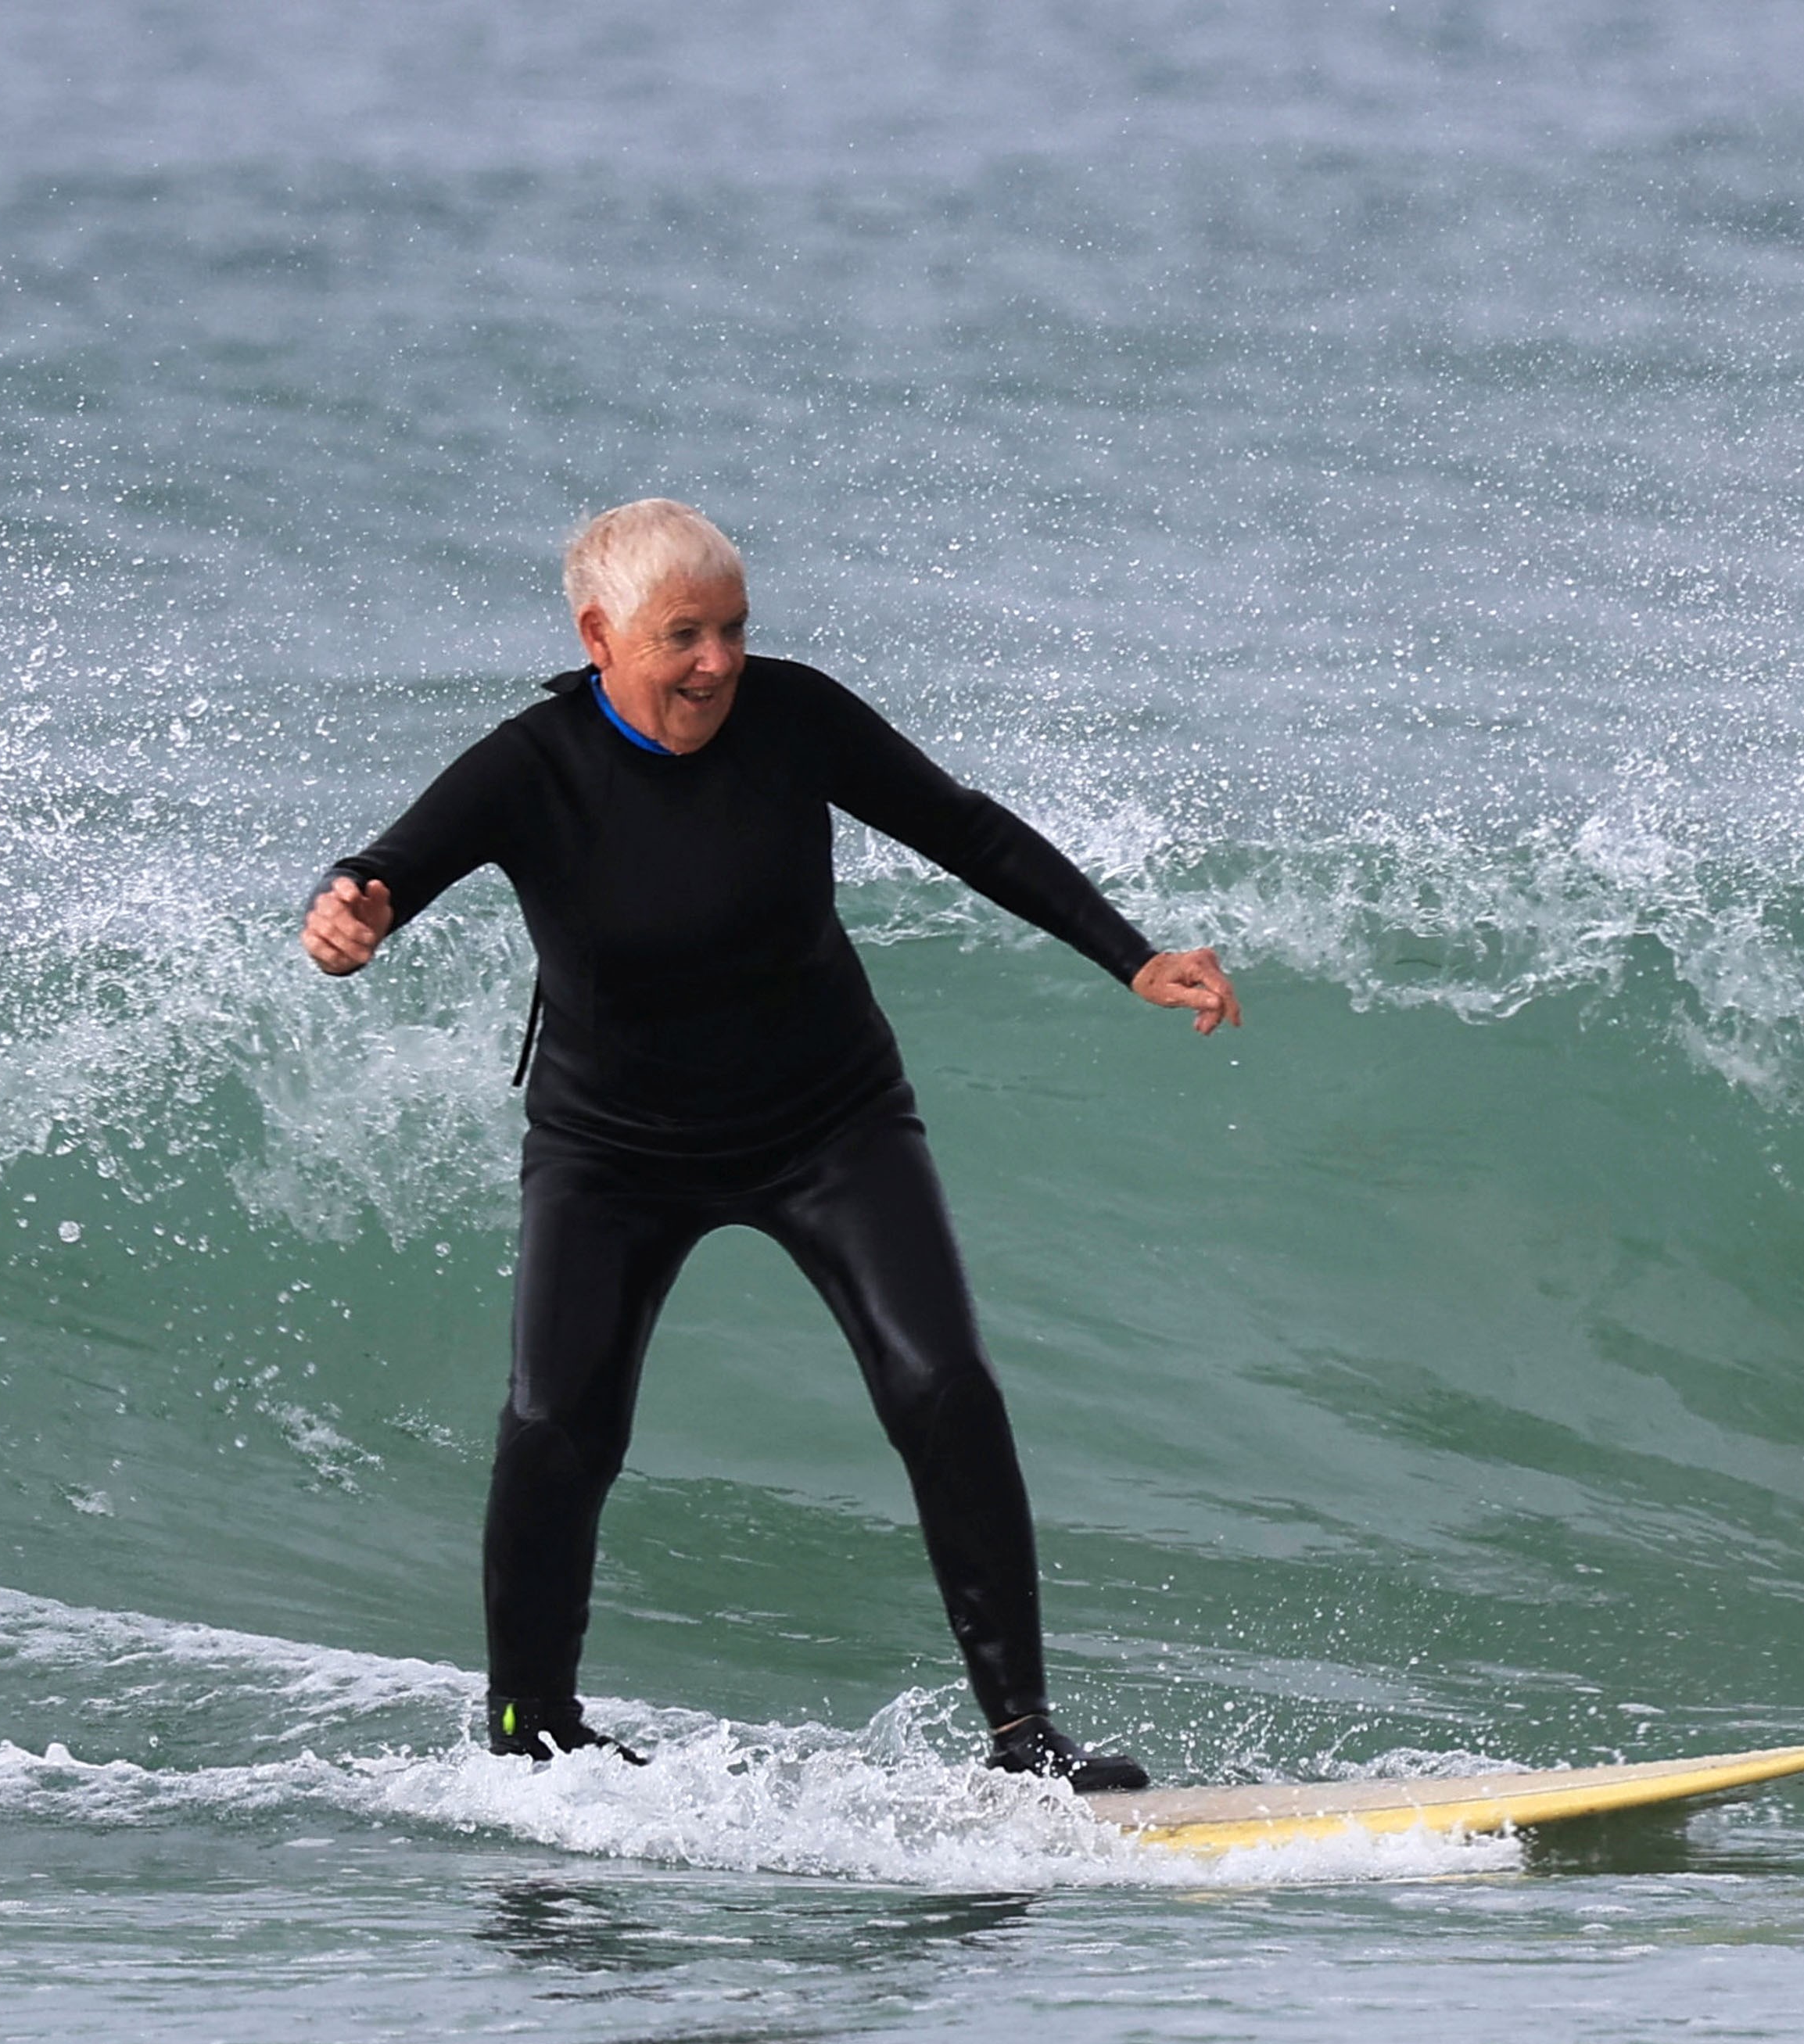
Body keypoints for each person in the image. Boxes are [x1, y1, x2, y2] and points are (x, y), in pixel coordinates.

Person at [303, 500, 1238, 1783]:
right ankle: (531, 1729)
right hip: (611, 1149)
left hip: (827, 1122)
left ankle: (1024, 1734)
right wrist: (349, 911)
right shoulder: (534, 764)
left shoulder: (795, 717)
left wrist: (1130, 955)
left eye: (734, 629)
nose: (718, 662)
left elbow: (962, 827)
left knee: (943, 1383)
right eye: (682, 634)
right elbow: (386, 869)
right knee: (557, 1421)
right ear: (598, 635)